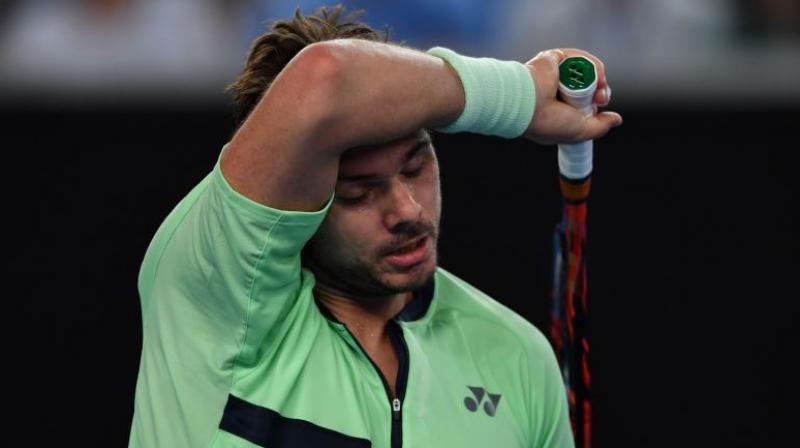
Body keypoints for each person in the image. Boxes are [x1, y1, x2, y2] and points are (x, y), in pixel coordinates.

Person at [128, 5, 621, 448]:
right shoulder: (214, 289)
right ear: (300, 191)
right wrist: (517, 94)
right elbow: (324, 79)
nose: (407, 211)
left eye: (415, 167)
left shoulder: (517, 357)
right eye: (357, 192)